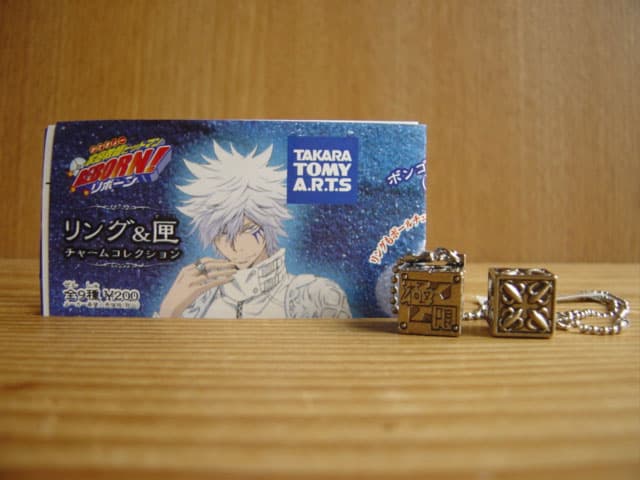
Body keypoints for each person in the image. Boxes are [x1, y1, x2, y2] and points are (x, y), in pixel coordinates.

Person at [158, 141, 351, 319]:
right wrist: (168, 311)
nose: (236, 246)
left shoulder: (317, 294)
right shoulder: (197, 300)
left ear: (268, 225)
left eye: (247, 230)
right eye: (222, 234)